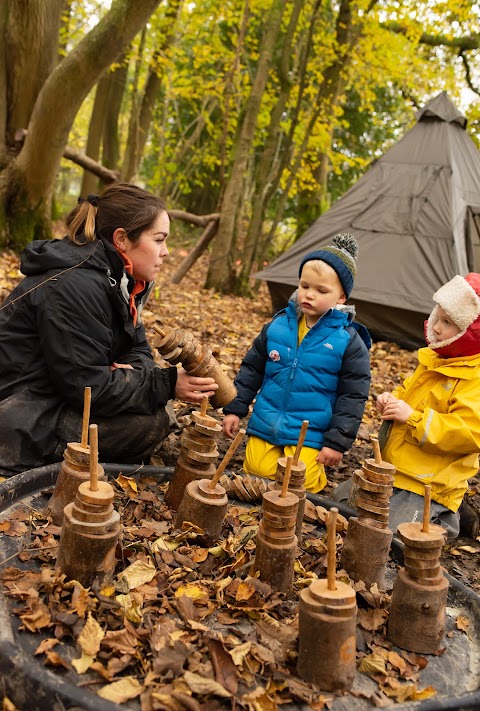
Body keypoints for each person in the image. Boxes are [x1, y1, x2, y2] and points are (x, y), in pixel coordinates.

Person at [0, 183, 217, 475]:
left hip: (56, 393)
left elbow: (138, 347)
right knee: (150, 422)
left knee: (156, 412)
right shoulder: (74, 286)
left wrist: (131, 374)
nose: (166, 253)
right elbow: (88, 388)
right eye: (159, 240)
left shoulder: (119, 279)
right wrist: (166, 384)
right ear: (122, 239)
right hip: (20, 411)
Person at [336, 273, 480, 540]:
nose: (437, 328)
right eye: (438, 317)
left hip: (427, 482)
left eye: (448, 323)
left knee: (390, 534)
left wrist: (413, 418)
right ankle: (445, 511)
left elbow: (469, 433)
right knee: (341, 504)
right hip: (395, 469)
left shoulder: (474, 378)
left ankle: (447, 515)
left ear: (469, 333)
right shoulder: (436, 359)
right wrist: (392, 400)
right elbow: (409, 393)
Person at [222, 234, 371, 492]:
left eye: (321, 291)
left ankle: (314, 475)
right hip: (266, 422)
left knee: (295, 480)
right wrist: (235, 407)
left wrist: (336, 442)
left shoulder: (348, 341)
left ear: (342, 297)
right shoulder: (278, 326)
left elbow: (353, 396)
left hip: (310, 432)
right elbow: (252, 370)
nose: (309, 295)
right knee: (256, 470)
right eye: (304, 286)